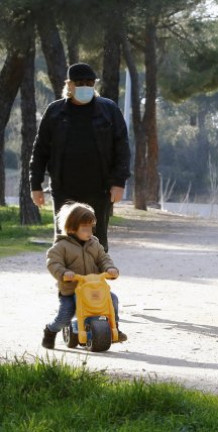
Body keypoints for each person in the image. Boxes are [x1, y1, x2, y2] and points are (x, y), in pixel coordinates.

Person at [30, 62, 130, 253]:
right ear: (69, 84)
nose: (85, 86)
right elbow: (40, 150)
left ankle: (94, 282)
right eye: (80, 82)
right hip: (64, 188)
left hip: (100, 189)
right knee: (64, 241)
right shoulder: (55, 112)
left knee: (97, 242)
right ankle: (67, 281)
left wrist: (119, 182)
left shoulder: (109, 110)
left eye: (89, 82)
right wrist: (35, 185)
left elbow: (122, 148)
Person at [42, 202, 127, 349]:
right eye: (85, 228)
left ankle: (114, 327)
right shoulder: (62, 246)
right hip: (72, 289)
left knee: (112, 299)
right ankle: (50, 331)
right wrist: (64, 273)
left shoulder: (94, 243)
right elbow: (53, 262)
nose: (89, 232)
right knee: (65, 316)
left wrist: (110, 268)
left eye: (91, 228)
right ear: (72, 228)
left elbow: (103, 258)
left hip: (94, 287)